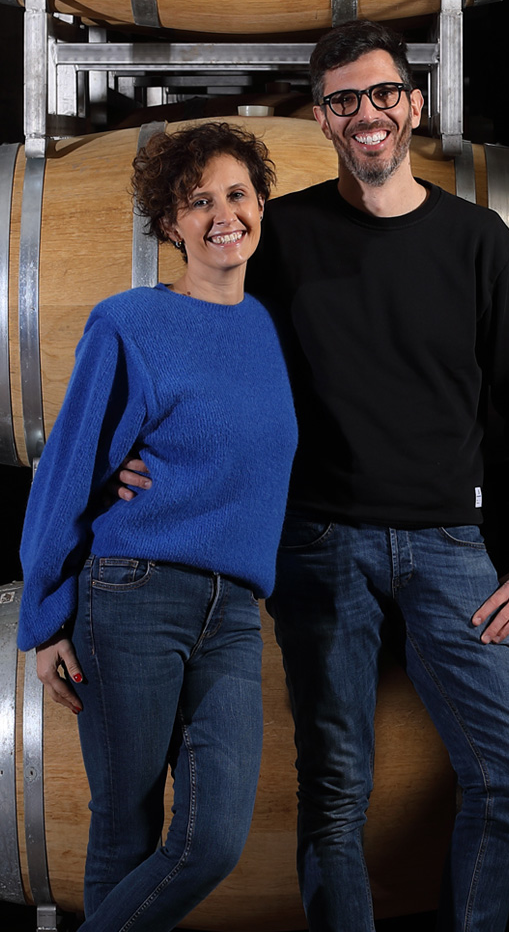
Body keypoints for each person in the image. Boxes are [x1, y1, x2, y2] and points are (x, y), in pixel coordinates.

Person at [125, 20, 509, 932]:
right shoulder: (281, 236)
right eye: (344, 100)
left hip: (451, 544)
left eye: (384, 93)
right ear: (322, 119)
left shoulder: (479, 241)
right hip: (318, 542)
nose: (369, 113)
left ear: (414, 104)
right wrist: (125, 449)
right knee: (335, 791)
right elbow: (202, 338)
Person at [18, 123, 297, 931]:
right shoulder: (129, 322)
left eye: (237, 194)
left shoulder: (266, 328)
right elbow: (68, 468)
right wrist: (44, 619)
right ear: (170, 223)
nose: (223, 215)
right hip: (133, 596)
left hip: (234, 612)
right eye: (198, 201)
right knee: (126, 826)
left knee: (212, 840)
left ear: (260, 204)